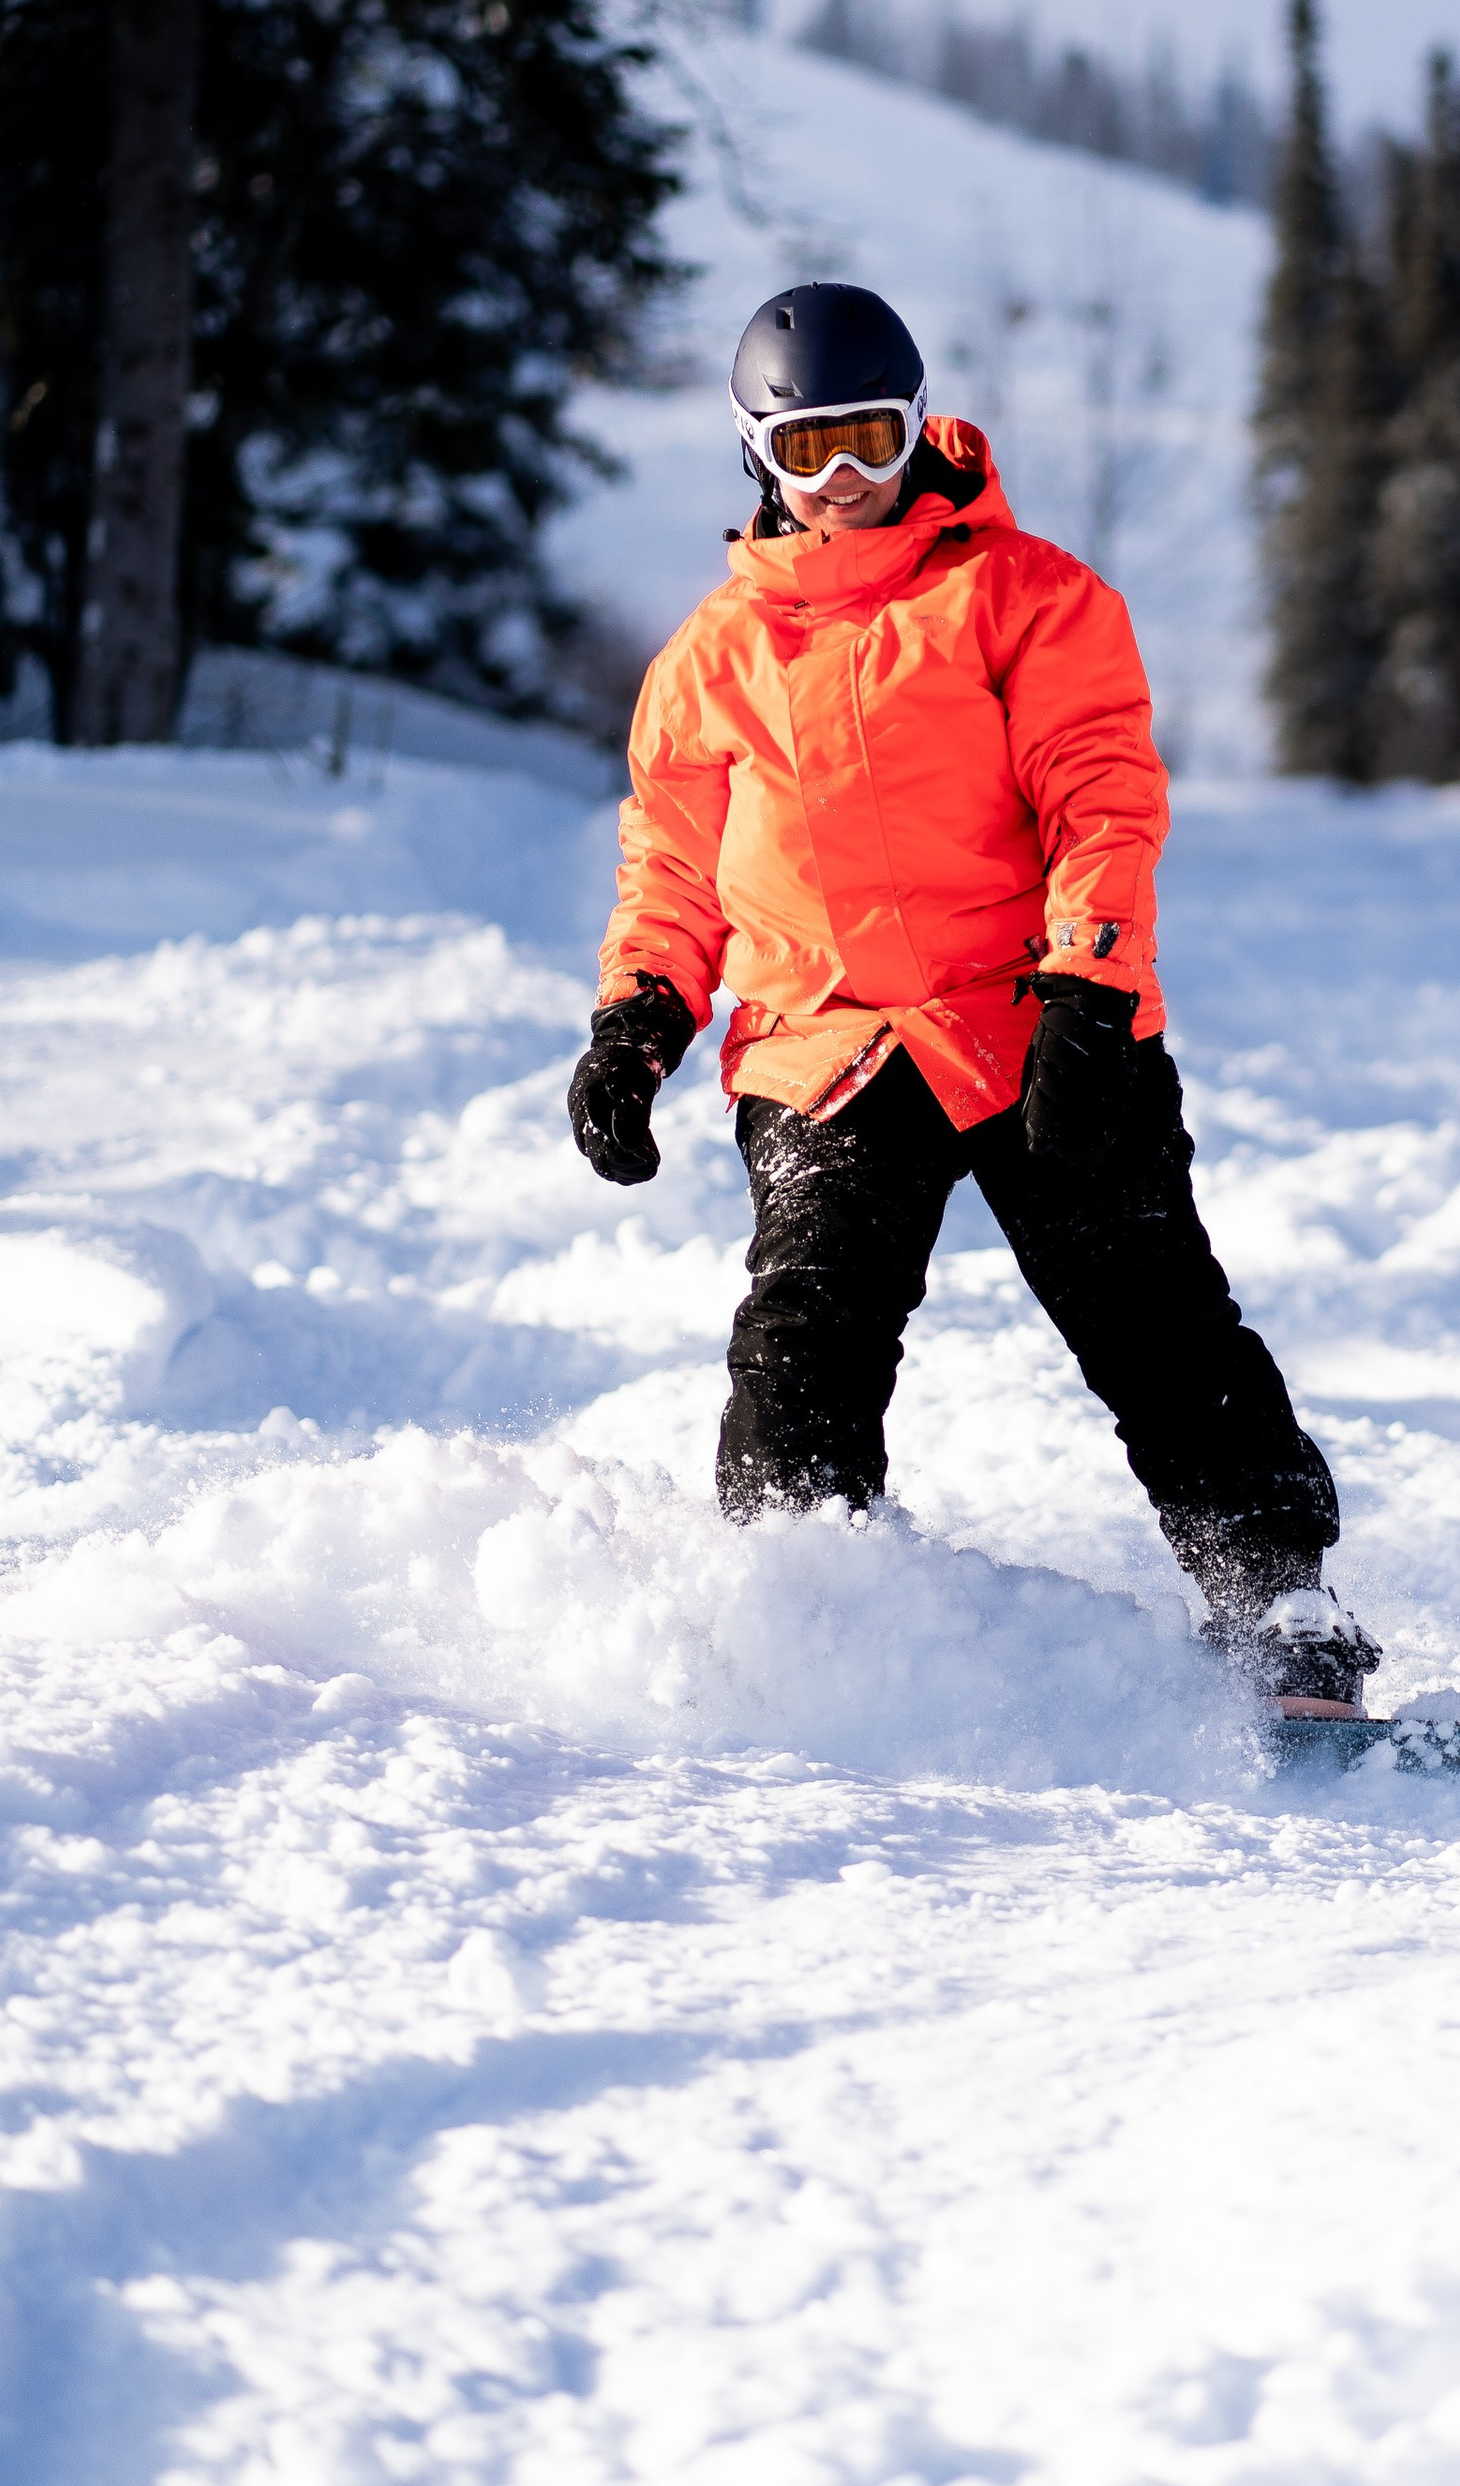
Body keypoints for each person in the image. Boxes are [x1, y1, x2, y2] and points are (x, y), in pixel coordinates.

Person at [565, 278, 1380, 1713]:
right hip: (826, 1049)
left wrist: (1092, 988)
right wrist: (638, 1021)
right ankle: (796, 1604)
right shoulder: (710, 662)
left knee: (1150, 1309)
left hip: (1032, 1021)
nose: (845, 483)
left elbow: (1102, 806)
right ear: (758, 456)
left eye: (871, 441)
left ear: (922, 426)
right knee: (802, 1332)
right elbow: (675, 871)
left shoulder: (1031, 601)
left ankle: (1282, 1597)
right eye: (810, 451)